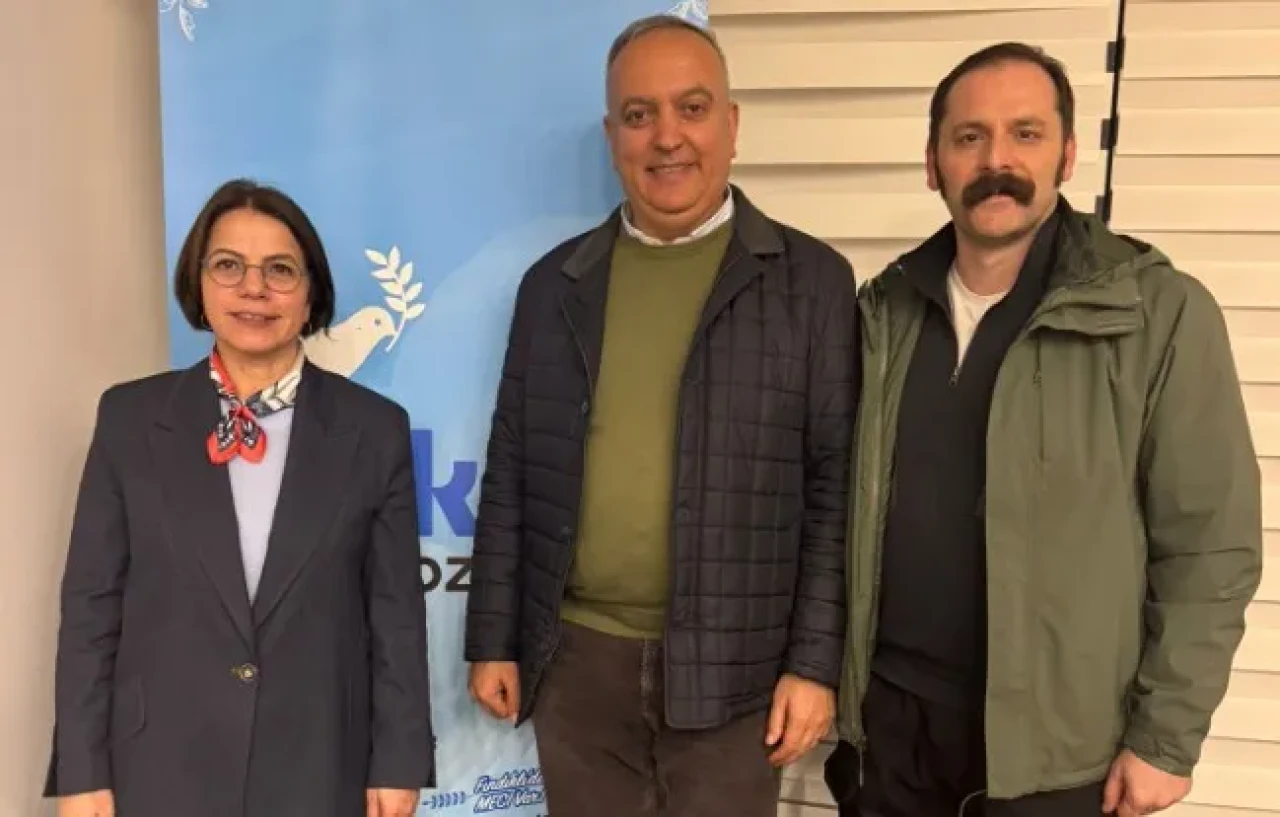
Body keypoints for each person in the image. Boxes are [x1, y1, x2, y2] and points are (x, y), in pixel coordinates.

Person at [823, 42, 1263, 817]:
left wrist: (1166, 738)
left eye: (1025, 133)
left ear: (1066, 153)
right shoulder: (883, 313)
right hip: (893, 736)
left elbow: (1210, 545)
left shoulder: (1156, 314)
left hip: (1057, 759)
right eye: (969, 137)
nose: (997, 160)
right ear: (932, 163)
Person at [463, 13, 859, 817]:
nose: (667, 137)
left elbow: (835, 488)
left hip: (738, 673)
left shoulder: (811, 282)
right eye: (639, 115)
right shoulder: (553, 287)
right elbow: (512, 471)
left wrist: (815, 665)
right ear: (613, 136)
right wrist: (493, 637)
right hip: (577, 667)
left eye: (692, 108)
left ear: (732, 124)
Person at [45, 179, 435, 817]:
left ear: (311, 295)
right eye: (229, 266)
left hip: (319, 766)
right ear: (199, 284)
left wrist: (399, 763)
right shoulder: (130, 419)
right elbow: (92, 606)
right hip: (157, 765)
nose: (254, 289)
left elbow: (394, 615)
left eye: (280, 270)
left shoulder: (374, 429)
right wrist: (81, 773)